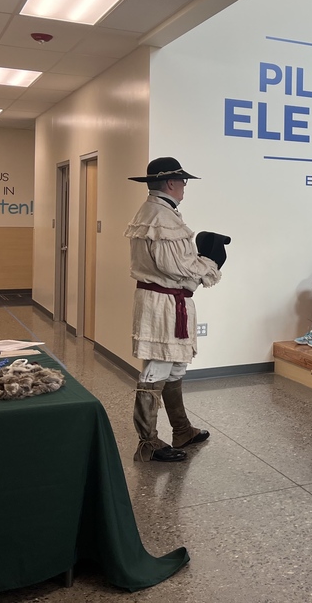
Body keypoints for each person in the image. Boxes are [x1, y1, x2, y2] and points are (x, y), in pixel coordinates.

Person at [126, 157, 223, 464]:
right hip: (162, 303)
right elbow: (175, 266)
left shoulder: (159, 212)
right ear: (170, 183)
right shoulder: (159, 216)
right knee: (157, 367)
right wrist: (210, 264)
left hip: (170, 302)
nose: (184, 188)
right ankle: (148, 442)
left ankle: (181, 430)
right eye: (182, 182)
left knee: (174, 366)